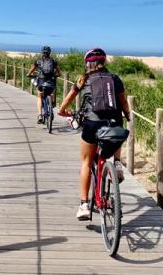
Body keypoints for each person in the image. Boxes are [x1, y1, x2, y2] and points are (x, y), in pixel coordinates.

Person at [57, 48, 131, 221]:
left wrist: (61, 111)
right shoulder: (115, 79)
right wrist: (127, 115)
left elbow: (68, 98)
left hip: (92, 124)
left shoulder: (84, 79)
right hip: (113, 124)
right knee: (117, 128)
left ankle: (83, 205)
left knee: (86, 161)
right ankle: (117, 164)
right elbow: (124, 103)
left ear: (88, 64)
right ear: (103, 63)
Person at [27, 46, 61, 124]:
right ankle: (51, 108)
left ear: (42, 52)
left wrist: (29, 74)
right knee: (50, 93)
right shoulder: (53, 61)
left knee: (39, 96)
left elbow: (31, 71)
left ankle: (39, 115)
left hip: (41, 81)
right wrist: (56, 75)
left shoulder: (38, 61)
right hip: (51, 82)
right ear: (50, 53)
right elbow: (59, 73)